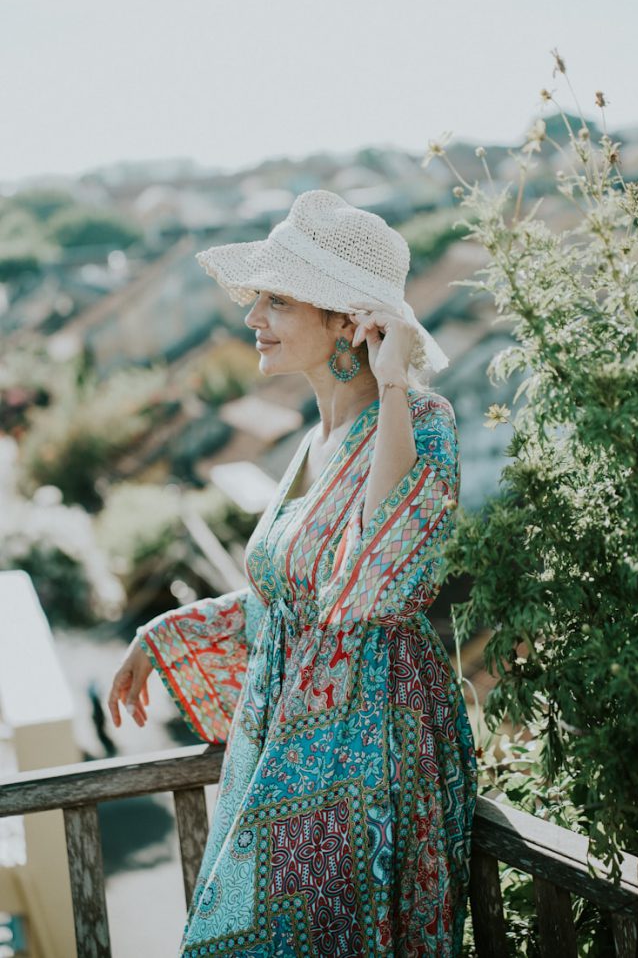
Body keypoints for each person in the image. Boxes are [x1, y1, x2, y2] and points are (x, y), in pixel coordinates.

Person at [107, 189, 478, 957]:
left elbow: (376, 584)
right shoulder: (315, 441)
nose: (253, 319)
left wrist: (398, 382)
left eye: (277, 301)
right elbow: (289, 598)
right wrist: (165, 632)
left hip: (369, 752)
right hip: (291, 745)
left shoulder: (423, 419)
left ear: (348, 322)